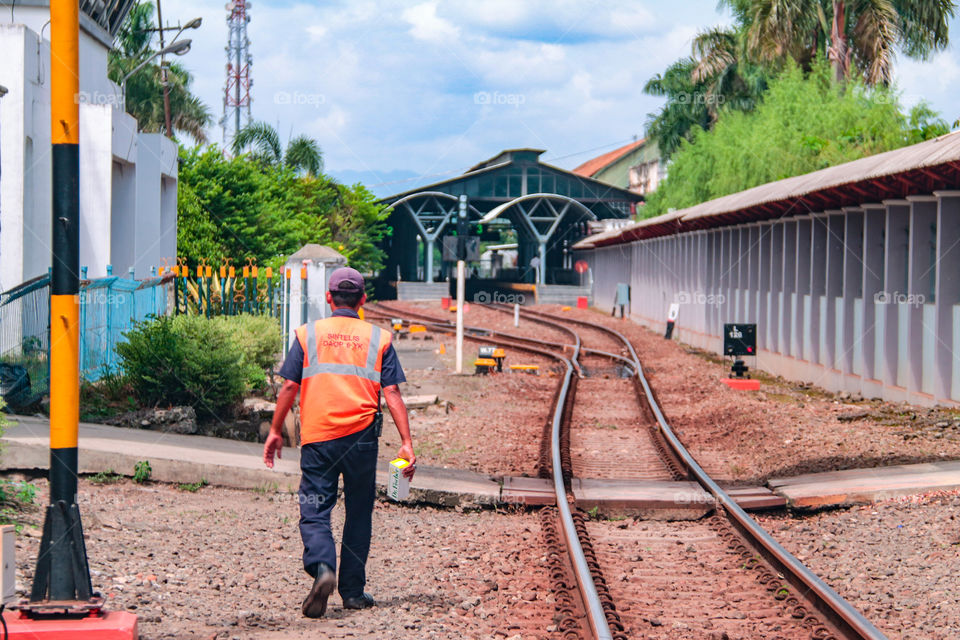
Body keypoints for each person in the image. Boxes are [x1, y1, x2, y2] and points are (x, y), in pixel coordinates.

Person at [263, 266, 416, 618]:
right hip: (361, 439)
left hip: (319, 437)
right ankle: (353, 593)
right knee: (359, 512)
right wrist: (406, 442)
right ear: (363, 300)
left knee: (315, 507)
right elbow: (392, 391)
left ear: (329, 298)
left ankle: (323, 567)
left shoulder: (308, 334)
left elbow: (290, 386)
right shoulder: (379, 338)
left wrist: (275, 430)